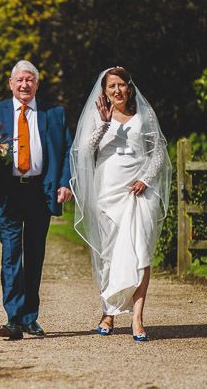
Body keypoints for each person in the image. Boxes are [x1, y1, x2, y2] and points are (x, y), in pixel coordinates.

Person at [69, 67, 171, 341]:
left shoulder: (145, 115)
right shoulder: (97, 115)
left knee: (141, 252)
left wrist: (146, 179)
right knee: (110, 254)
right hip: (107, 191)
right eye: (111, 86)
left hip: (139, 192)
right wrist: (103, 124)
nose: (117, 90)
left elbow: (158, 152)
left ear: (129, 87)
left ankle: (137, 319)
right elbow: (86, 152)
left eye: (121, 85)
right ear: (104, 91)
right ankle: (108, 313)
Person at [0, 60, 73, 340]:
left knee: (35, 255)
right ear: (10, 83)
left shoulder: (54, 114)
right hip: (8, 193)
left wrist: (65, 182)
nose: (24, 85)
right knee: (11, 254)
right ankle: (14, 318)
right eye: (19, 80)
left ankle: (30, 317)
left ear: (37, 84)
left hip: (40, 191)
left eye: (29, 80)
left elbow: (69, 150)